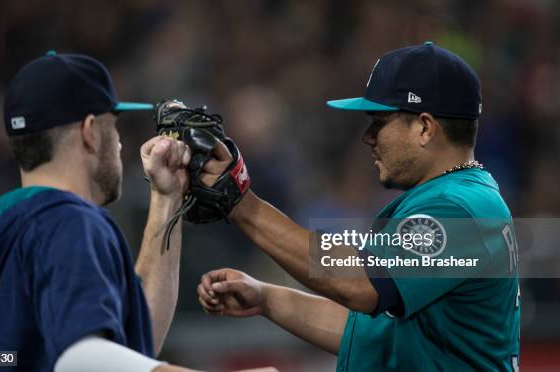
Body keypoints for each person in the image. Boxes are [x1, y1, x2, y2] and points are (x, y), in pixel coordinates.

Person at [197, 42, 520, 371]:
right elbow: (373, 334)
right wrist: (267, 298)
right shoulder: (449, 198)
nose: (368, 136)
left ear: (425, 127)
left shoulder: (459, 207)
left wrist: (242, 203)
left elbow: (356, 283)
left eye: (379, 122)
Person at [0, 52, 275, 372]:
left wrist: (167, 198)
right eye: (114, 127)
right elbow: (83, 359)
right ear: (90, 131)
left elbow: (125, 347)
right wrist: (247, 207)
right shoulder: (68, 222)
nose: (119, 144)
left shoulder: (8, 218)